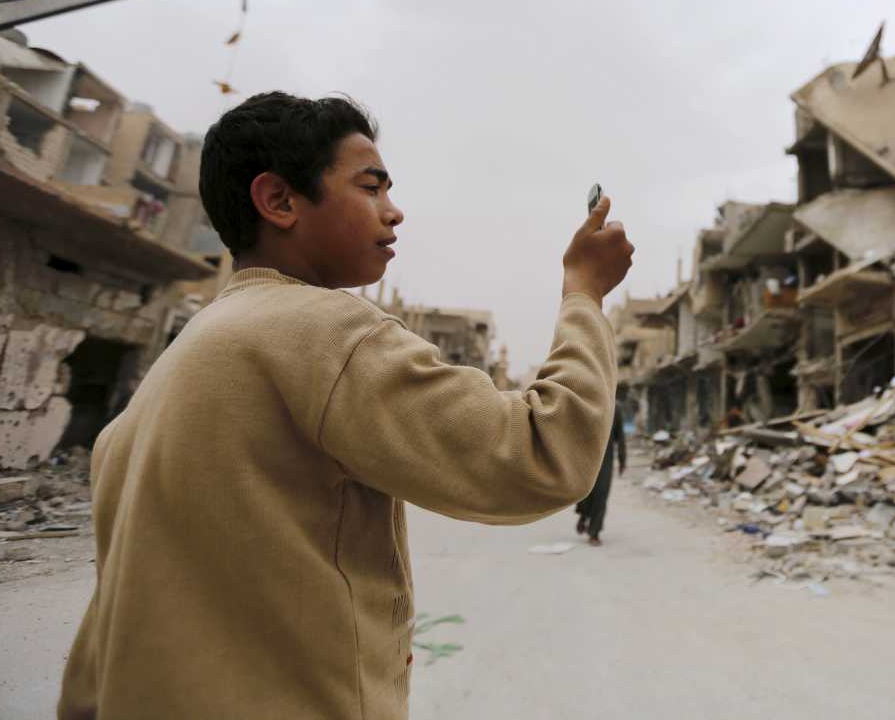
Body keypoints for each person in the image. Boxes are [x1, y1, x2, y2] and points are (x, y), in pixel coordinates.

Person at [57, 92, 633, 720]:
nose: (395, 212)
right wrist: (584, 294)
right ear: (279, 200)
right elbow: (542, 454)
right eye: (371, 188)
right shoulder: (324, 332)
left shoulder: (178, 362)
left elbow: (102, 641)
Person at [575, 405, 626, 546]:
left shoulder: (616, 408)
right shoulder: (585, 402)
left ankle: (594, 532)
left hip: (605, 460)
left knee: (601, 494)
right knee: (585, 492)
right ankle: (583, 515)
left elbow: (620, 436)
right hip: (585, 457)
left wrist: (622, 459)